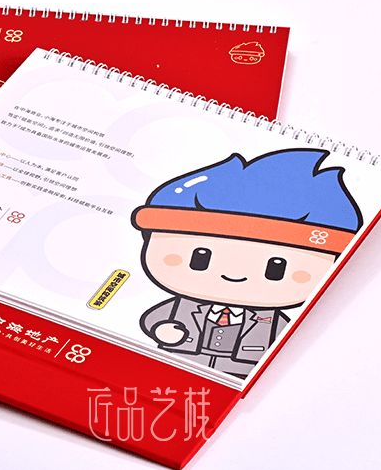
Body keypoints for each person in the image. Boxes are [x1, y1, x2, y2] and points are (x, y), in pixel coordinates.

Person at [130, 148, 362, 378]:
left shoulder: (272, 320)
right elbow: (154, 319)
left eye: (276, 269)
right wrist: (162, 330)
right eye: (200, 258)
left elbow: (289, 343)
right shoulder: (181, 307)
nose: (235, 273)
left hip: (238, 374)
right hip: (176, 361)